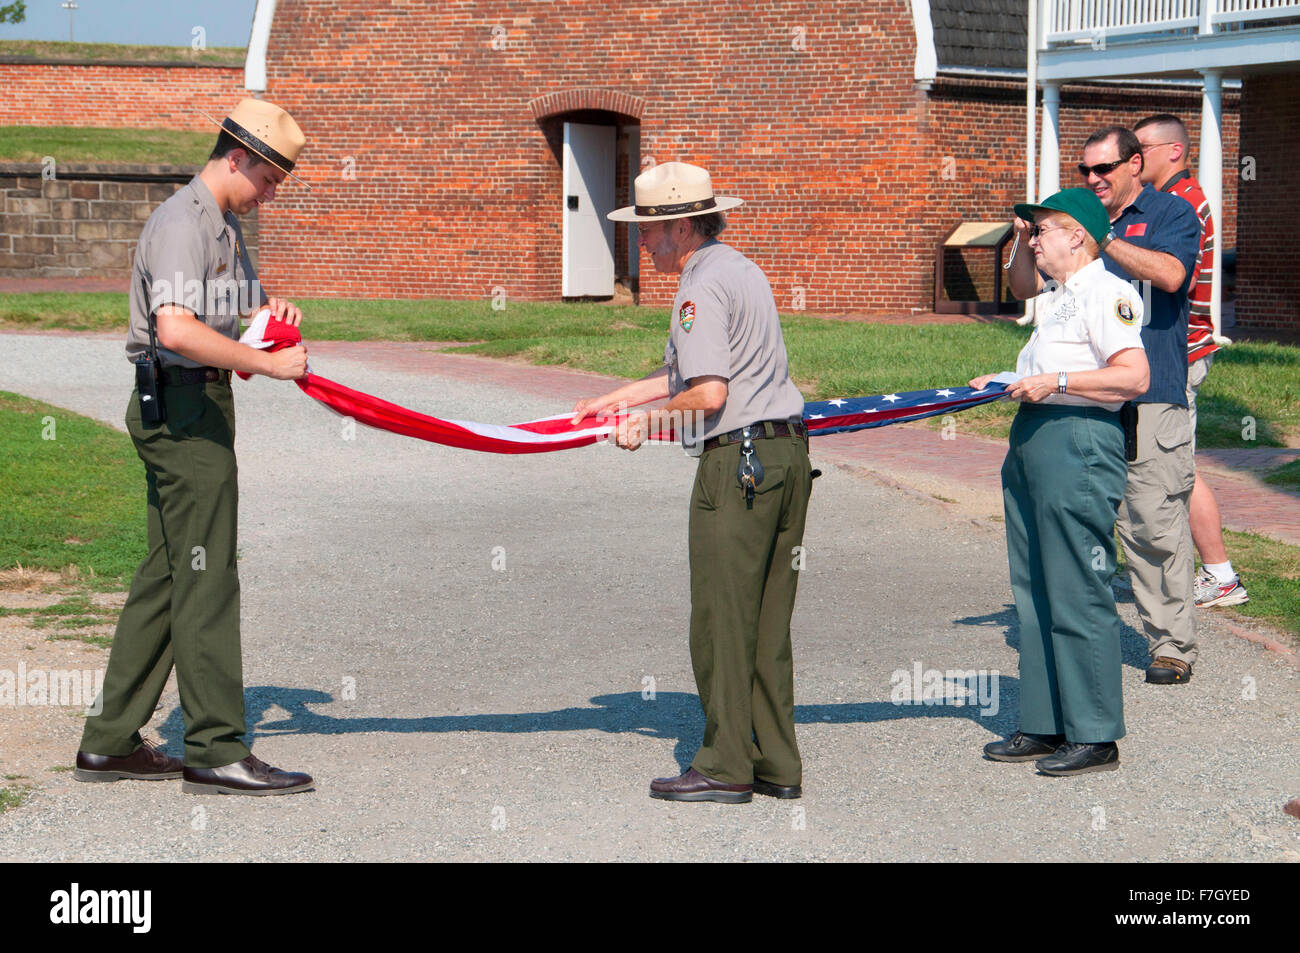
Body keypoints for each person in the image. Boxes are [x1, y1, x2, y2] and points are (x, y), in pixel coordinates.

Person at [74, 100, 315, 796]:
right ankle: (215, 746)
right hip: (180, 407)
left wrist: (274, 321)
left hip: (194, 402)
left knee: (168, 571)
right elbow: (176, 329)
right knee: (208, 574)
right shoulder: (183, 222)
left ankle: (110, 738)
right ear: (236, 156)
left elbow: (241, 310)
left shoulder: (224, 225)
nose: (270, 193)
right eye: (268, 179)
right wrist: (264, 362)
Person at [571, 161, 812, 803]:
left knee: (720, 619)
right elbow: (699, 369)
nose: (641, 244)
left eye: (647, 231)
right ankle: (773, 762)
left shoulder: (697, 289)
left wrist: (642, 421)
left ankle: (725, 764)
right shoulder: (738, 268)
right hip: (784, 457)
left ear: (680, 226)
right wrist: (620, 394)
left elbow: (707, 391)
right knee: (765, 622)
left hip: (737, 466)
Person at [1014, 125, 1201, 686]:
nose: (1093, 179)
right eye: (1085, 172)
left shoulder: (1169, 212)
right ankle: (1082, 633)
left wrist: (1097, 236)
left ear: (1135, 165)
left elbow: (1171, 274)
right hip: (1082, 399)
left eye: (1105, 170)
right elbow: (1025, 290)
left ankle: (1171, 644)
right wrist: (1028, 237)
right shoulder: (1067, 222)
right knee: (1087, 517)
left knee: (1152, 518)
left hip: (1150, 389)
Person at [974, 188, 1149, 776]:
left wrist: (1059, 380)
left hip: (1078, 439)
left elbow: (1133, 375)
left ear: (1077, 235)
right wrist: (1009, 377)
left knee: (1077, 583)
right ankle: (1046, 722)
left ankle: (1095, 732)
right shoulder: (1055, 299)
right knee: (1034, 585)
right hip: (1035, 435)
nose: (1034, 239)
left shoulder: (1108, 293)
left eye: (1043, 229)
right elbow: (1026, 300)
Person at [1134, 113, 1248, 608]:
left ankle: (1220, 576)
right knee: (1173, 464)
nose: (1134, 161)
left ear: (1174, 151)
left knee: (1180, 467)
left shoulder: (1181, 203)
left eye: (1143, 149)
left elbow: (1169, 276)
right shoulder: (1177, 198)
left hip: (1180, 351)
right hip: (1170, 349)